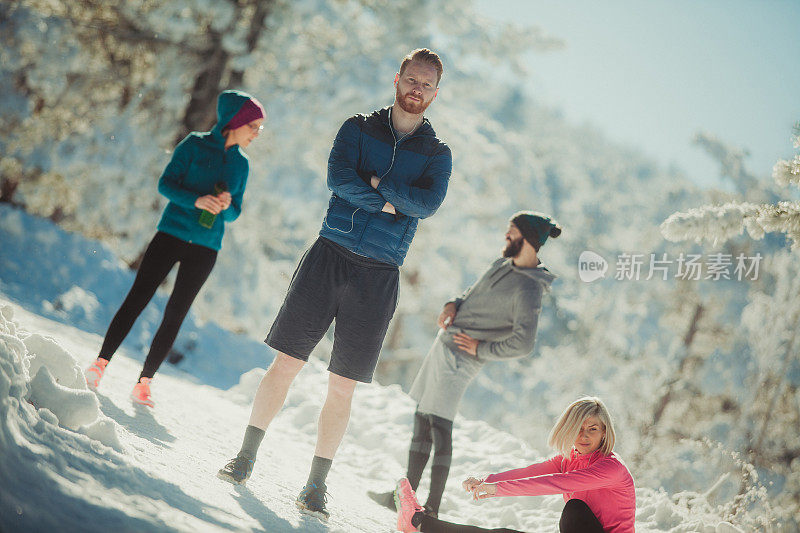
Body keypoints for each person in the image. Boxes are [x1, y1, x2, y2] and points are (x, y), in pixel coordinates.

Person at [216, 48, 452, 522]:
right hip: (328, 256)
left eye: (427, 84)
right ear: (397, 78)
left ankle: (316, 485)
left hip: (378, 275)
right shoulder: (358, 128)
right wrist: (390, 205)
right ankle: (245, 457)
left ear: (435, 92)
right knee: (285, 364)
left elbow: (426, 206)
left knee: (342, 388)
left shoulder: (438, 154)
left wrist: (380, 190)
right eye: (412, 79)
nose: (417, 89)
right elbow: (338, 179)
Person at [369, 211, 560, 517]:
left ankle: (430, 509)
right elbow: (473, 293)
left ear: (528, 239)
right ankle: (404, 497)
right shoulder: (503, 263)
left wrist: (481, 349)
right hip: (443, 347)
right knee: (422, 419)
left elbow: (523, 343)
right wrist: (453, 303)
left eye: (511, 231)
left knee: (438, 426)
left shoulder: (529, 288)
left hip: (461, 360)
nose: (505, 236)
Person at [85, 90, 265, 408]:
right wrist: (195, 200)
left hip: (206, 248)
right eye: (254, 126)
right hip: (170, 234)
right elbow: (166, 184)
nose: (256, 134)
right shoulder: (194, 144)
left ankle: (144, 383)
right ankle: (100, 364)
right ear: (236, 121)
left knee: (176, 314)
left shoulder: (241, 164)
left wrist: (225, 205)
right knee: (137, 299)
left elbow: (237, 210)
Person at [394, 397, 636, 533]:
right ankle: (419, 522)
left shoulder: (610, 469)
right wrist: (487, 482)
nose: (584, 436)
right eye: (578, 428)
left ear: (604, 432)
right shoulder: (570, 458)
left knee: (574, 510)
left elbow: (553, 483)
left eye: (592, 429)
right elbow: (532, 472)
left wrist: (496, 491)